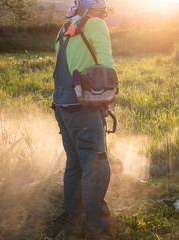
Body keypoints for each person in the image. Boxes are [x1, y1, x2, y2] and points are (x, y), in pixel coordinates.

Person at [51, 0, 114, 239]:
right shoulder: (95, 24)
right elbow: (107, 68)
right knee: (96, 166)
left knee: (75, 163)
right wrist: (107, 100)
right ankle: (95, 229)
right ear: (93, 9)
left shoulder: (65, 27)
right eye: (101, 12)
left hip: (61, 105)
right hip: (82, 107)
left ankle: (72, 221)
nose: (103, 17)